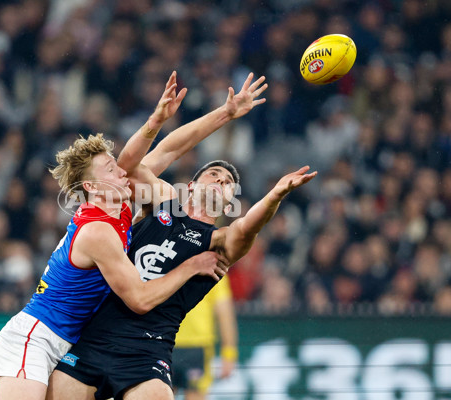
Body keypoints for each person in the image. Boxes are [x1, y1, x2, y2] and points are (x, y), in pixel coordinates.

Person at [50, 73, 317, 400]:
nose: (220, 180)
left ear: (231, 201)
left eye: (228, 182)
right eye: (213, 174)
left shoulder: (219, 241)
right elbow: (138, 162)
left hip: (148, 351)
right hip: (94, 334)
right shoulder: (164, 203)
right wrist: (224, 114)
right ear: (190, 186)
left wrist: (274, 196)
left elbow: (248, 227)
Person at [0, 72, 230, 400]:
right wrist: (191, 266)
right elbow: (140, 299)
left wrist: (223, 113)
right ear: (92, 186)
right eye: (111, 169)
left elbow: (171, 149)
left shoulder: (123, 207)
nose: (122, 171)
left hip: (69, 341)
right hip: (36, 338)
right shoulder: (98, 231)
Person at [172, 275, 238, 400]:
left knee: (161, 393)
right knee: (195, 395)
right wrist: (229, 353)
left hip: (165, 341)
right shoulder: (213, 266)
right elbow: (224, 312)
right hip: (197, 345)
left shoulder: (166, 260)